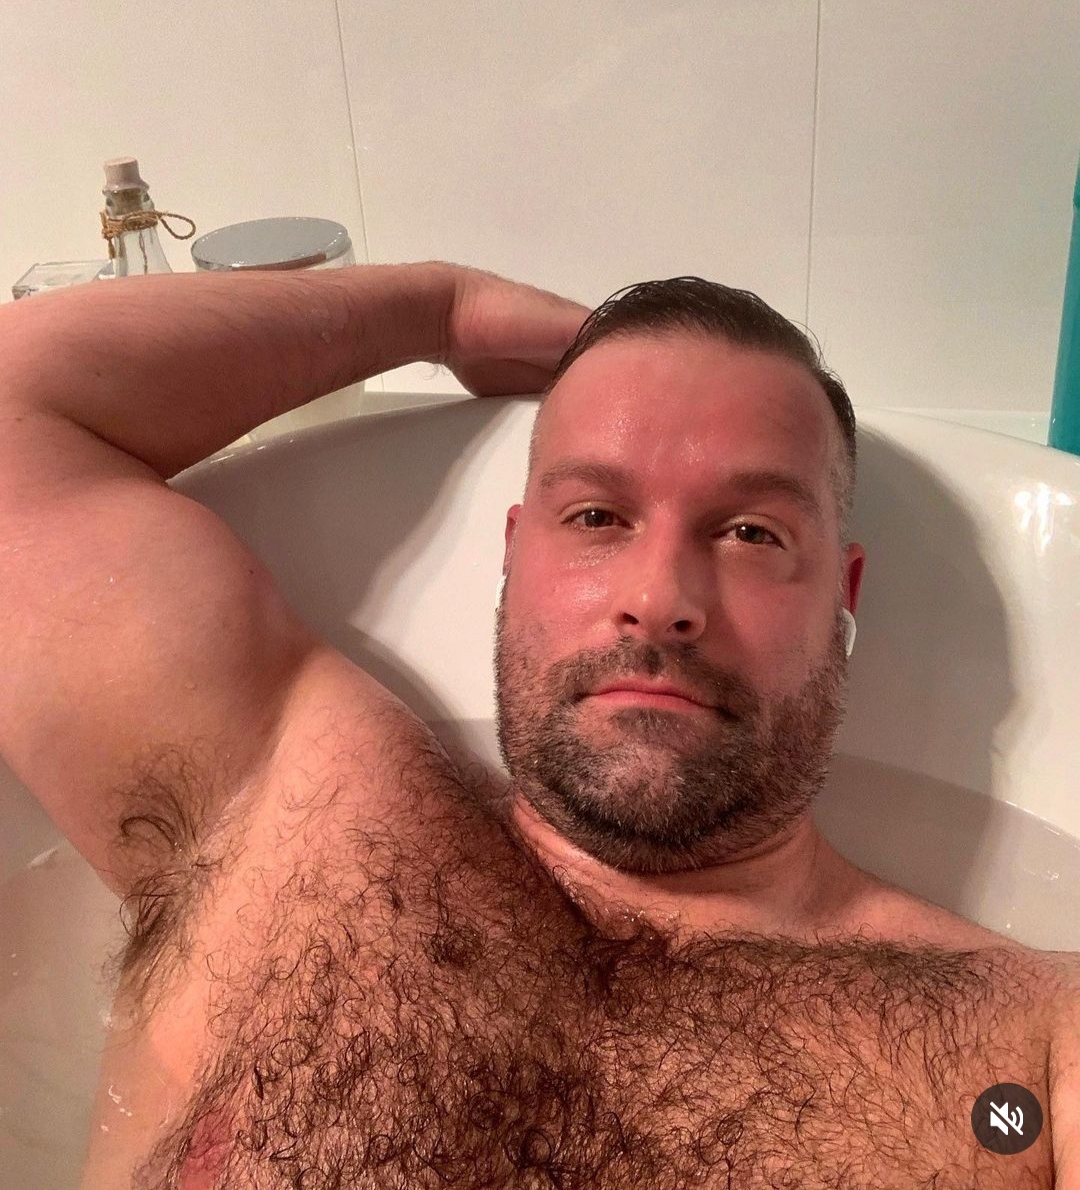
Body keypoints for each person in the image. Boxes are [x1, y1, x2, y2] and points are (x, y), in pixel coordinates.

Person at [0, 261, 1076, 1188]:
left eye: (751, 532)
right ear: (514, 556)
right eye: (597, 516)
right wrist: (444, 309)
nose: (660, 599)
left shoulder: (1029, 1045)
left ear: (842, 596)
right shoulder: (280, 804)